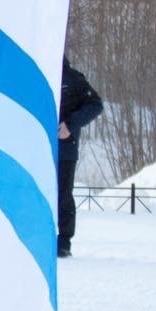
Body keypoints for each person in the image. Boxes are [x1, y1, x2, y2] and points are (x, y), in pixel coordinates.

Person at [56, 58, 104, 258]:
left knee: (63, 194)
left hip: (65, 149)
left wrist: (70, 124)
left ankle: (64, 241)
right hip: (33, 149)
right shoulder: (30, 70)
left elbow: (95, 105)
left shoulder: (73, 78)